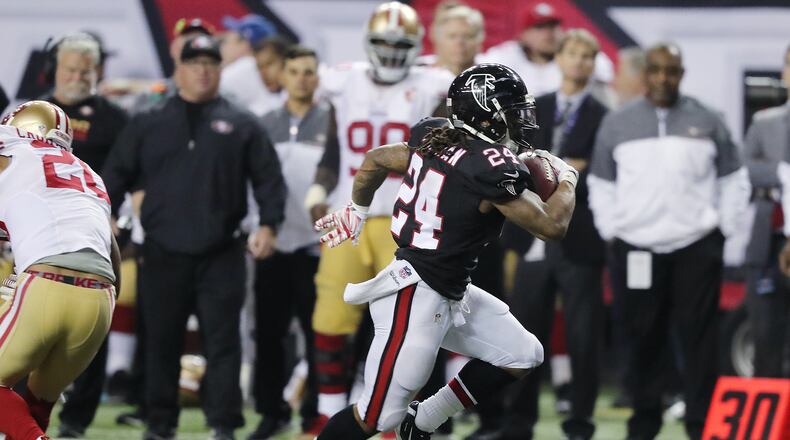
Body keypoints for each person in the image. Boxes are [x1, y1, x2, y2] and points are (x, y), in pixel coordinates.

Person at [313, 62, 578, 440]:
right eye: (513, 112)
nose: (523, 121)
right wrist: (568, 180)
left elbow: (374, 159)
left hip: (449, 287)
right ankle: (403, 422)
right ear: (486, 116)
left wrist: (358, 209)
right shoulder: (487, 167)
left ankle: (421, 421)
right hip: (414, 293)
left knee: (523, 354)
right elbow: (552, 227)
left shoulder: (435, 137)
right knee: (374, 417)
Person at [102, 35, 286, 440]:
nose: (203, 69)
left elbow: (269, 181)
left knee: (222, 344)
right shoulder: (149, 122)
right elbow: (114, 176)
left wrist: (269, 224)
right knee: (161, 341)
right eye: (195, 62)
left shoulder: (241, 123)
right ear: (179, 69)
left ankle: (223, 425)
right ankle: (159, 423)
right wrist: (106, 218)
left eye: (210, 62)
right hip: (162, 250)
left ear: (220, 69)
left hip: (222, 251)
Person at [588, 43, 750, 439]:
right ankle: (644, 424)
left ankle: (701, 425)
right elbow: (600, 182)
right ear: (645, 75)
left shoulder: (709, 119)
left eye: (672, 71)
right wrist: (614, 230)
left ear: (682, 74)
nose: (663, 78)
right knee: (641, 340)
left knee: (699, 340)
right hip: (636, 247)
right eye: (656, 70)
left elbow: (734, 179)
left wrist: (720, 229)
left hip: (696, 247)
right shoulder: (617, 123)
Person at [304, 1, 453, 426]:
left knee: (407, 327)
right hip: (348, 214)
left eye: (398, 44)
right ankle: (327, 416)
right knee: (332, 316)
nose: (390, 52)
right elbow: (335, 147)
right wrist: (319, 187)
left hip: (405, 221)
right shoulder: (342, 83)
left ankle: (392, 418)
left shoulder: (432, 86)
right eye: (383, 44)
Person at [495, 29, 607, 440]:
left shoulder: (604, 113)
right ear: (558, 58)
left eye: (587, 56)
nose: (579, 62)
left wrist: (561, 168)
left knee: (582, 338)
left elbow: (606, 172)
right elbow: (512, 163)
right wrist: (568, 166)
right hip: (530, 235)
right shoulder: (532, 109)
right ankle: (518, 422)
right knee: (523, 335)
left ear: (594, 65)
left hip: (581, 239)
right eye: (573, 53)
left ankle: (580, 423)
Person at [0, 100, 121, 440]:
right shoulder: (88, 174)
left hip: (46, 283)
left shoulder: (12, 149)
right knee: (36, 405)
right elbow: (110, 251)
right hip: (101, 300)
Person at [37, 31, 128, 439]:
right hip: (35, 232)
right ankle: (26, 409)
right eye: (70, 68)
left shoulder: (115, 118)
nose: (77, 76)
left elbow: (128, 174)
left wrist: (114, 217)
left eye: (85, 70)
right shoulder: (29, 112)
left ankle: (76, 420)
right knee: (28, 319)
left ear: (98, 72)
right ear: (54, 69)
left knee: (93, 327)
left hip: (94, 235)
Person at [248, 45, 329, 440]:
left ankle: (314, 414)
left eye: (309, 71)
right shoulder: (263, 123)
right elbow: (253, 183)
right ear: (281, 76)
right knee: (269, 333)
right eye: (294, 71)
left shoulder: (334, 121)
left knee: (320, 333)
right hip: (276, 242)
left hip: (320, 246)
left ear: (319, 77)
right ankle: (271, 411)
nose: (302, 78)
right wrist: (257, 227)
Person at [749, 45, 790, 378]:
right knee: (765, 335)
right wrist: (782, 173)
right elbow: (746, 170)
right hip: (767, 242)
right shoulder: (763, 122)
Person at [479, 2, 613, 98]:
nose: (549, 33)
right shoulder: (505, 56)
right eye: (540, 27)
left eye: (553, 26)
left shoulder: (577, 53)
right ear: (523, 35)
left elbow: (605, 77)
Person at [419, 2, 484, 75]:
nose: (459, 43)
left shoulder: (493, 78)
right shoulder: (415, 72)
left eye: (467, 36)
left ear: (480, 39)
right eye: (452, 36)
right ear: (435, 36)